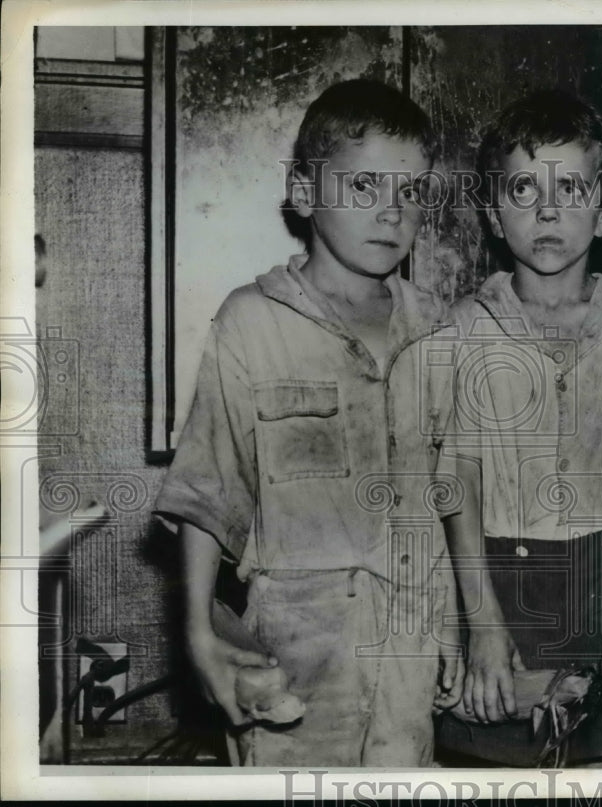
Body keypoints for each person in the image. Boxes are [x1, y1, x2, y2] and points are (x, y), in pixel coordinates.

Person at [154, 79, 461, 767]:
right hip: (292, 663)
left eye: (410, 192)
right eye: (364, 188)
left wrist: (463, 628)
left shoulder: (438, 328)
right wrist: (200, 631)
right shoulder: (250, 322)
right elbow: (208, 492)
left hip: (411, 653)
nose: (391, 212)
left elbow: (454, 493)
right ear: (302, 190)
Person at [435, 90, 602, 765]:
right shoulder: (465, 330)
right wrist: (481, 622)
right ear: (493, 213)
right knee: (493, 764)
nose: (548, 210)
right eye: (524, 188)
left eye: (571, 187)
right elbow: (455, 476)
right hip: (498, 593)